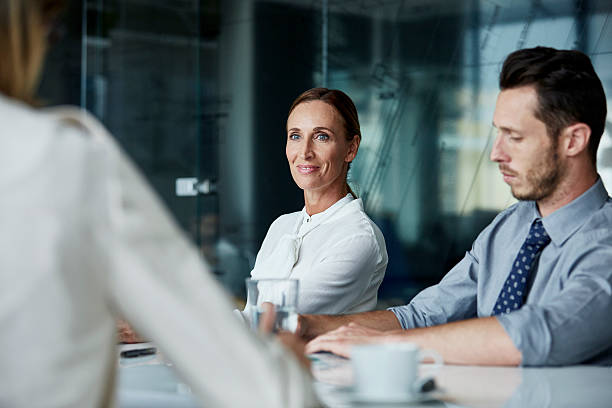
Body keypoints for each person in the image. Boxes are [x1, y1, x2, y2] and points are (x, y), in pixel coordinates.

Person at [0, 1, 319, 407]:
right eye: (295, 136)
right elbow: (264, 392)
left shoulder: (353, 236)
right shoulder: (62, 158)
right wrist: (283, 370)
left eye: (320, 136)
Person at [302, 46, 612, 367]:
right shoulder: (508, 228)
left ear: (573, 141)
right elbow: (424, 315)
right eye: (497, 133)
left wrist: (387, 345)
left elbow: (537, 334)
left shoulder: (605, 244)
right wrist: (308, 325)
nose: (496, 153)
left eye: (514, 137)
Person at [243, 88, 388, 315]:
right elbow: (252, 312)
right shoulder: (282, 226)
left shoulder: (359, 238)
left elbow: (279, 319)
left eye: (321, 136)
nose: (305, 152)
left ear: (351, 149)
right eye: (295, 136)